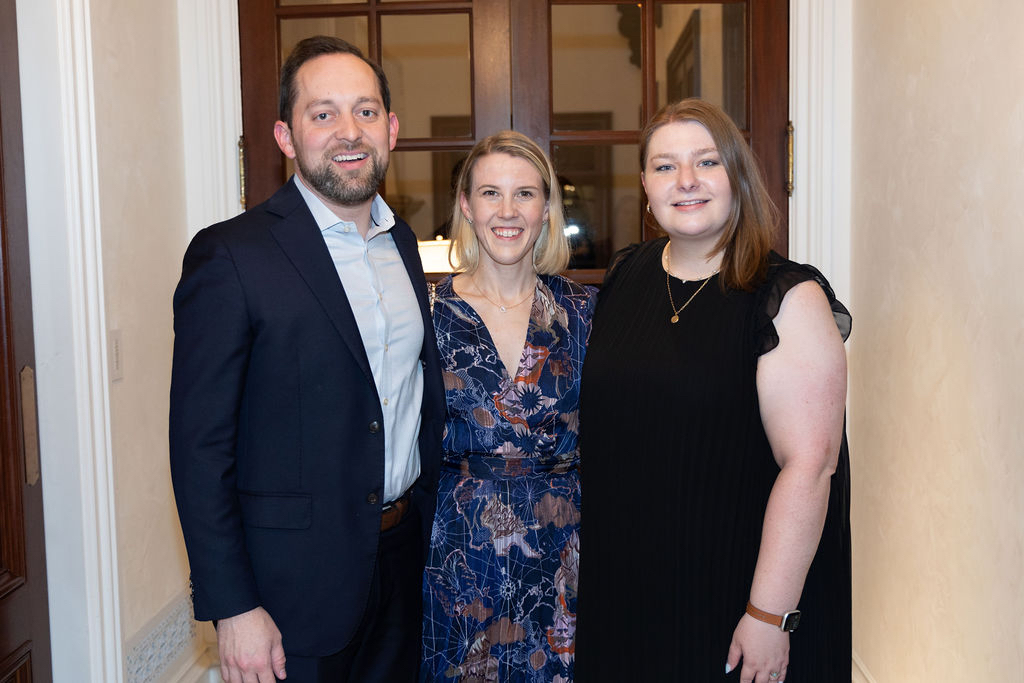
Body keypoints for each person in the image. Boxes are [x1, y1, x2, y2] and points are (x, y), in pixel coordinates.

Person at [169, 36, 444, 683]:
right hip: (289, 590)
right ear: (285, 136)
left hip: (402, 564)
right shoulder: (231, 256)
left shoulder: (403, 244)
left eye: (365, 111)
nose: (349, 131)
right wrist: (233, 606)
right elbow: (200, 448)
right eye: (323, 113)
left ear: (391, 129)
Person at [575, 98, 852, 682]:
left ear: (737, 175)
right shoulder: (628, 274)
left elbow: (810, 465)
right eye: (665, 166)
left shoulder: (787, 299)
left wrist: (768, 615)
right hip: (626, 591)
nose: (686, 180)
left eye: (706, 161)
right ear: (645, 185)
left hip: (735, 594)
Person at [420, 131, 595, 682]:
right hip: (458, 550)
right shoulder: (426, 313)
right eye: (490, 193)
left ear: (546, 209)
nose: (508, 210)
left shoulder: (585, 310)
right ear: (466, 206)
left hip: (564, 548)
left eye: (525, 194)